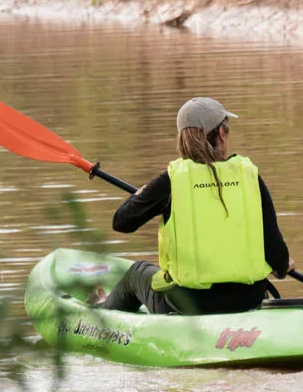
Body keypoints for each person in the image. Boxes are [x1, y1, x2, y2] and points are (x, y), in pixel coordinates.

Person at [99, 96, 292, 314]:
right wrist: (283, 265)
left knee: (137, 272)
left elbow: (122, 222)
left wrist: (139, 196)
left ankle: (100, 315)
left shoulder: (170, 183)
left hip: (189, 304)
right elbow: (276, 255)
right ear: (221, 133)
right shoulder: (250, 178)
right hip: (248, 300)